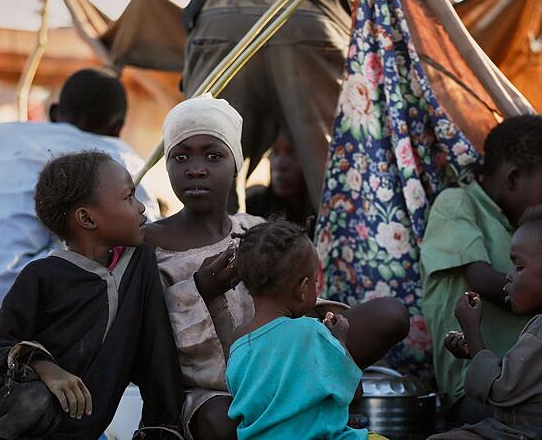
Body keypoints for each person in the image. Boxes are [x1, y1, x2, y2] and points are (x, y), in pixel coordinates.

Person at [148, 94, 409, 439]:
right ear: (166, 165)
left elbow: (295, 305)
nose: (196, 168)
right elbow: (149, 334)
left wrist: (307, 265)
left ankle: (313, 398)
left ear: (236, 164)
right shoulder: (150, 244)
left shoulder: (253, 227)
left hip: (287, 362)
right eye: (180, 157)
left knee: (389, 314)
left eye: (213, 155)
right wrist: (200, 291)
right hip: (213, 385)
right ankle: (311, 404)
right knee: (221, 421)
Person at [0, 68, 159, 363]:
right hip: (3, 326)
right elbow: (146, 232)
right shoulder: (111, 157)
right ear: (118, 128)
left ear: (54, 112)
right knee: (130, 257)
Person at [0, 152, 184, 439]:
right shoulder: (41, 276)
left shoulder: (140, 264)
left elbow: (156, 347)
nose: (141, 208)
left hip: (77, 428)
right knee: (34, 399)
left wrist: (163, 425)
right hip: (16, 418)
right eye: (128, 197)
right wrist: (43, 366)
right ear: (87, 218)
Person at [420, 114, 542, 422]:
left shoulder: (522, 228)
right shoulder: (456, 204)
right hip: (474, 390)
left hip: (526, 382)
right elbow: (480, 280)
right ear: (514, 178)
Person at [430, 203, 542, 440]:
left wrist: (472, 329)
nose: (509, 275)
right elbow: (523, 380)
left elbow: (499, 388)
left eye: (519, 267)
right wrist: (473, 350)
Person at [182, 0, 354, 210]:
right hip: (315, 10)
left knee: (209, 166)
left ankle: (211, 242)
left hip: (220, 11)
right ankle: (344, 240)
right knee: (334, 180)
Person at [226, 220, 386, 440]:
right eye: (315, 281)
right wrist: (339, 341)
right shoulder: (311, 332)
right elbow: (354, 392)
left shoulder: (238, 342)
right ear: (302, 289)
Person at [246, 136, 314, 227]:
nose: (280, 164)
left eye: (291, 152)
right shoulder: (253, 209)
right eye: (275, 152)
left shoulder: (322, 211)